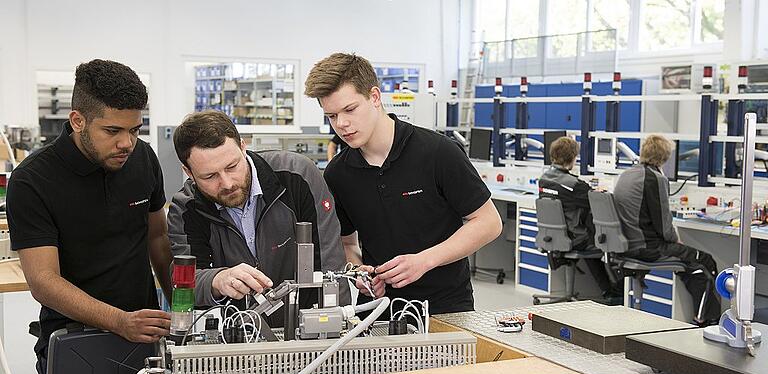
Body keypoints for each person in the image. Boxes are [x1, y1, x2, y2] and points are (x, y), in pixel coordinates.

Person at [6, 59, 173, 374]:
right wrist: (119, 321)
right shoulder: (33, 180)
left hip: (145, 334)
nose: (127, 143)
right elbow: (44, 282)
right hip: (77, 340)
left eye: (135, 130)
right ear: (78, 121)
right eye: (113, 131)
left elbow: (157, 238)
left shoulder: (143, 159)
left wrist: (184, 312)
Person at [305, 53, 502, 315]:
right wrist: (357, 272)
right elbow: (347, 245)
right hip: (378, 313)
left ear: (375, 97)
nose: (341, 124)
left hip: (446, 309)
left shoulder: (438, 152)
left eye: (350, 110)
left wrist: (424, 261)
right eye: (331, 116)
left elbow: (488, 222)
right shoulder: (338, 173)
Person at [167, 110, 347, 325]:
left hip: (307, 327)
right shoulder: (186, 208)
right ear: (188, 171)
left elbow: (330, 261)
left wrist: (337, 331)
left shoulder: (297, 174)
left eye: (232, 166)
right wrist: (217, 279)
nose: (227, 183)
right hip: (236, 335)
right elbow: (186, 282)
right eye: (210, 176)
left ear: (243, 146)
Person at [613, 134, 721, 324]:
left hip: (628, 244)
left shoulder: (627, 174)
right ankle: (707, 321)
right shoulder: (655, 179)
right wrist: (675, 240)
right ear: (664, 157)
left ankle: (697, 315)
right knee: (705, 261)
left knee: (690, 263)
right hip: (648, 247)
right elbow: (663, 225)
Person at [538, 136, 622, 302]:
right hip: (575, 238)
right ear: (572, 158)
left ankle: (608, 290)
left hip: (557, 237)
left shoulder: (544, 178)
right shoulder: (575, 185)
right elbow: (594, 201)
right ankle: (615, 291)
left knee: (591, 239)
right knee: (606, 241)